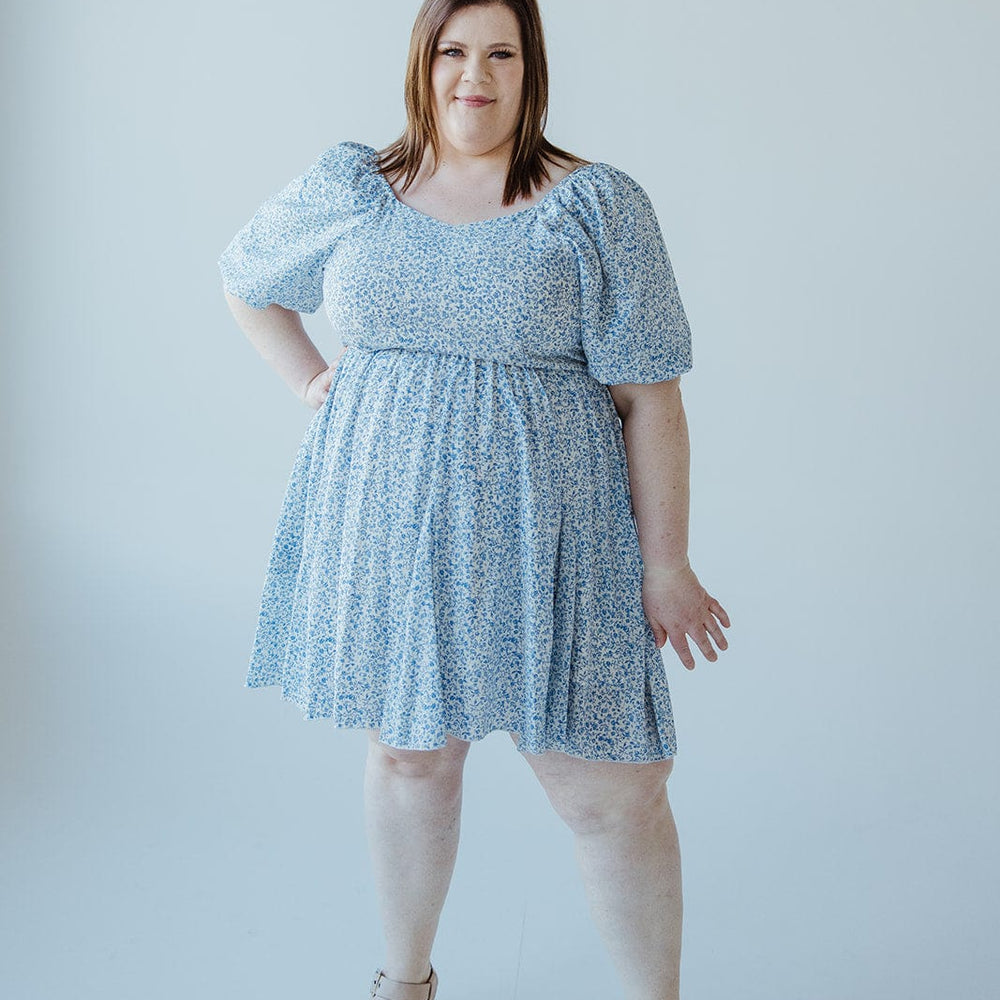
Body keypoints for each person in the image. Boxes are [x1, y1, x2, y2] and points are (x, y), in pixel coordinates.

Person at [218, 1, 730, 997]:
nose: (474, 77)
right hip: (394, 529)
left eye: (500, 54)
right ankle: (403, 983)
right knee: (411, 759)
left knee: (614, 792)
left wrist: (665, 563)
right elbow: (247, 277)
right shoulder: (355, 187)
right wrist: (313, 383)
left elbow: (650, 393)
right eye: (454, 51)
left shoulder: (595, 204)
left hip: (560, 535)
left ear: (531, 68)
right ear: (423, 61)